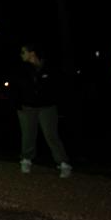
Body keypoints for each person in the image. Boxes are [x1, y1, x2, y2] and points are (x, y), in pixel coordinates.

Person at [16, 44, 71, 178]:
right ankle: (26, 160)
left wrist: (53, 100)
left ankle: (63, 163)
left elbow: (58, 85)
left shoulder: (49, 67)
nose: (21, 55)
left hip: (47, 107)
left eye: (23, 52)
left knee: (51, 135)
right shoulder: (21, 68)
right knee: (28, 135)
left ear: (32, 53)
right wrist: (18, 103)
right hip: (27, 107)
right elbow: (16, 86)